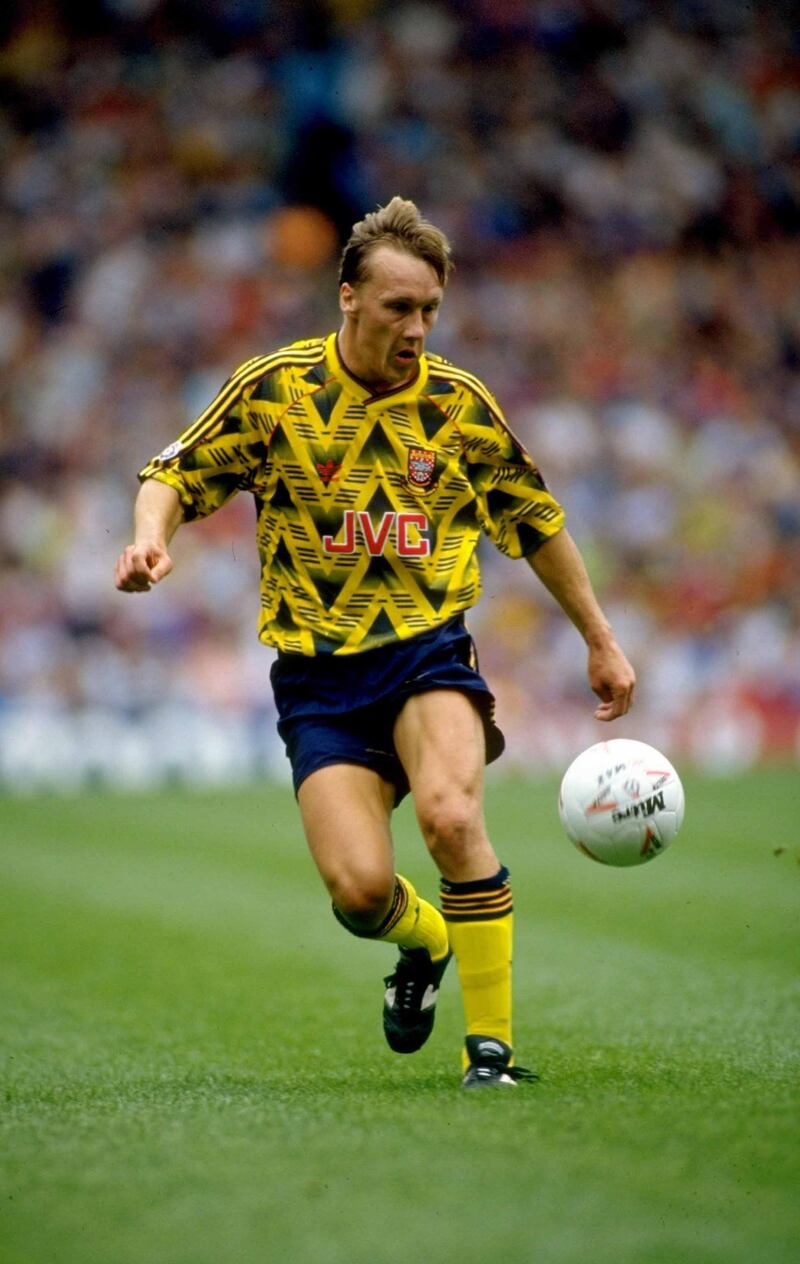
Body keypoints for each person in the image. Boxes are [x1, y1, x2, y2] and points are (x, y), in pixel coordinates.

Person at [115, 197, 635, 1089]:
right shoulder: (276, 389)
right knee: (359, 895)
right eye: (400, 308)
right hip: (317, 677)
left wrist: (600, 636)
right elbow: (175, 470)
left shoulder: (459, 405)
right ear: (348, 297)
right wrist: (151, 536)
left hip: (427, 650)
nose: (419, 328)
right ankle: (423, 944)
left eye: (430, 309)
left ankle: (493, 1054)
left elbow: (537, 523)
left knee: (450, 817)